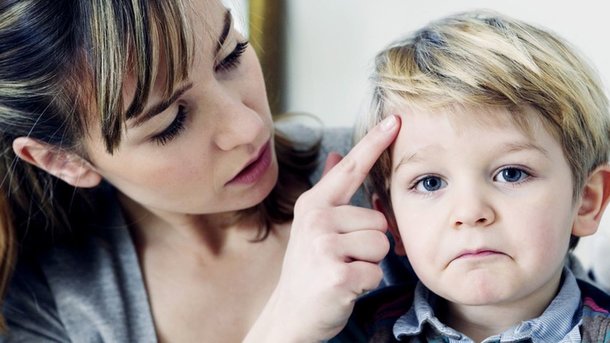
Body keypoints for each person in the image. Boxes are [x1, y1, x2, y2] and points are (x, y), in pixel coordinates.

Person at [0, 0, 408, 341]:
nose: (248, 127)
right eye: (171, 122)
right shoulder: (41, 304)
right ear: (63, 160)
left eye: (230, 55)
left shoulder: (400, 177)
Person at [332, 10, 610, 342]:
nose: (469, 212)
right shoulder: (347, 332)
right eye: (430, 182)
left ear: (586, 202)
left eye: (511, 174)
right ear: (392, 222)